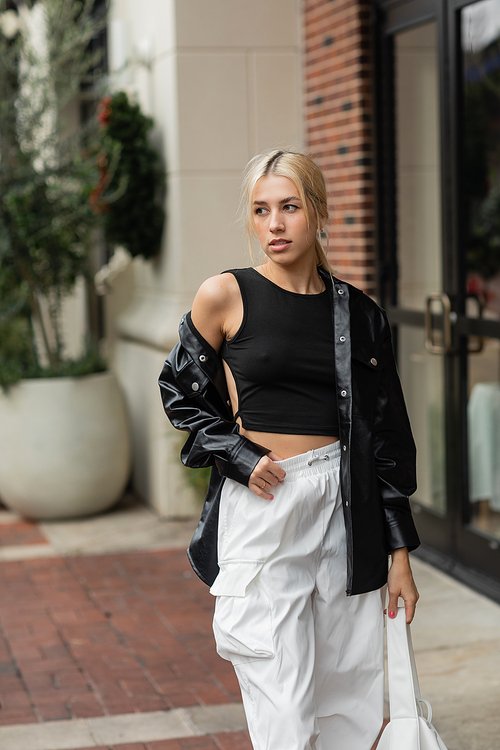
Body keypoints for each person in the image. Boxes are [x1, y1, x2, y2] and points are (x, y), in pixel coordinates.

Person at [158, 149, 420, 750]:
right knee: (282, 701)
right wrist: (241, 458)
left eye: (289, 208)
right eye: (260, 210)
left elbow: (385, 437)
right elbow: (180, 393)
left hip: (345, 504)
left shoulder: (359, 314)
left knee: (347, 701)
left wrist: (400, 550)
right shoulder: (225, 295)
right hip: (266, 500)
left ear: (318, 213)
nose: (274, 224)